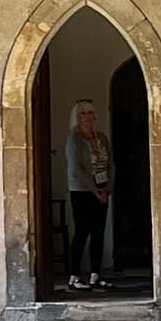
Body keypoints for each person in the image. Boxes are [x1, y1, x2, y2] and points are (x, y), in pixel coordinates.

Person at [65, 99, 115, 291]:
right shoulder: (74, 139)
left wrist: (108, 187)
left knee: (99, 232)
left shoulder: (101, 137)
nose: (87, 117)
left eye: (90, 113)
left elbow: (111, 163)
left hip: (102, 189)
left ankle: (96, 275)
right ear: (77, 118)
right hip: (83, 190)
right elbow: (77, 168)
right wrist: (95, 191)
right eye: (82, 114)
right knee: (82, 231)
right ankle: (74, 276)